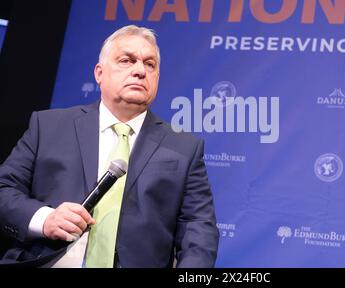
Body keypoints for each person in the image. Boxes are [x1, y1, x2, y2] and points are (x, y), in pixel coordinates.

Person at [0, 25, 219, 267]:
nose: (139, 71)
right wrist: (45, 219)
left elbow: (198, 229)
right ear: (99, 73)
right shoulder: (48, 126)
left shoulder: (185, 147)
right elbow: (4, 189)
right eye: (127, 60)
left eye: (150, 64)